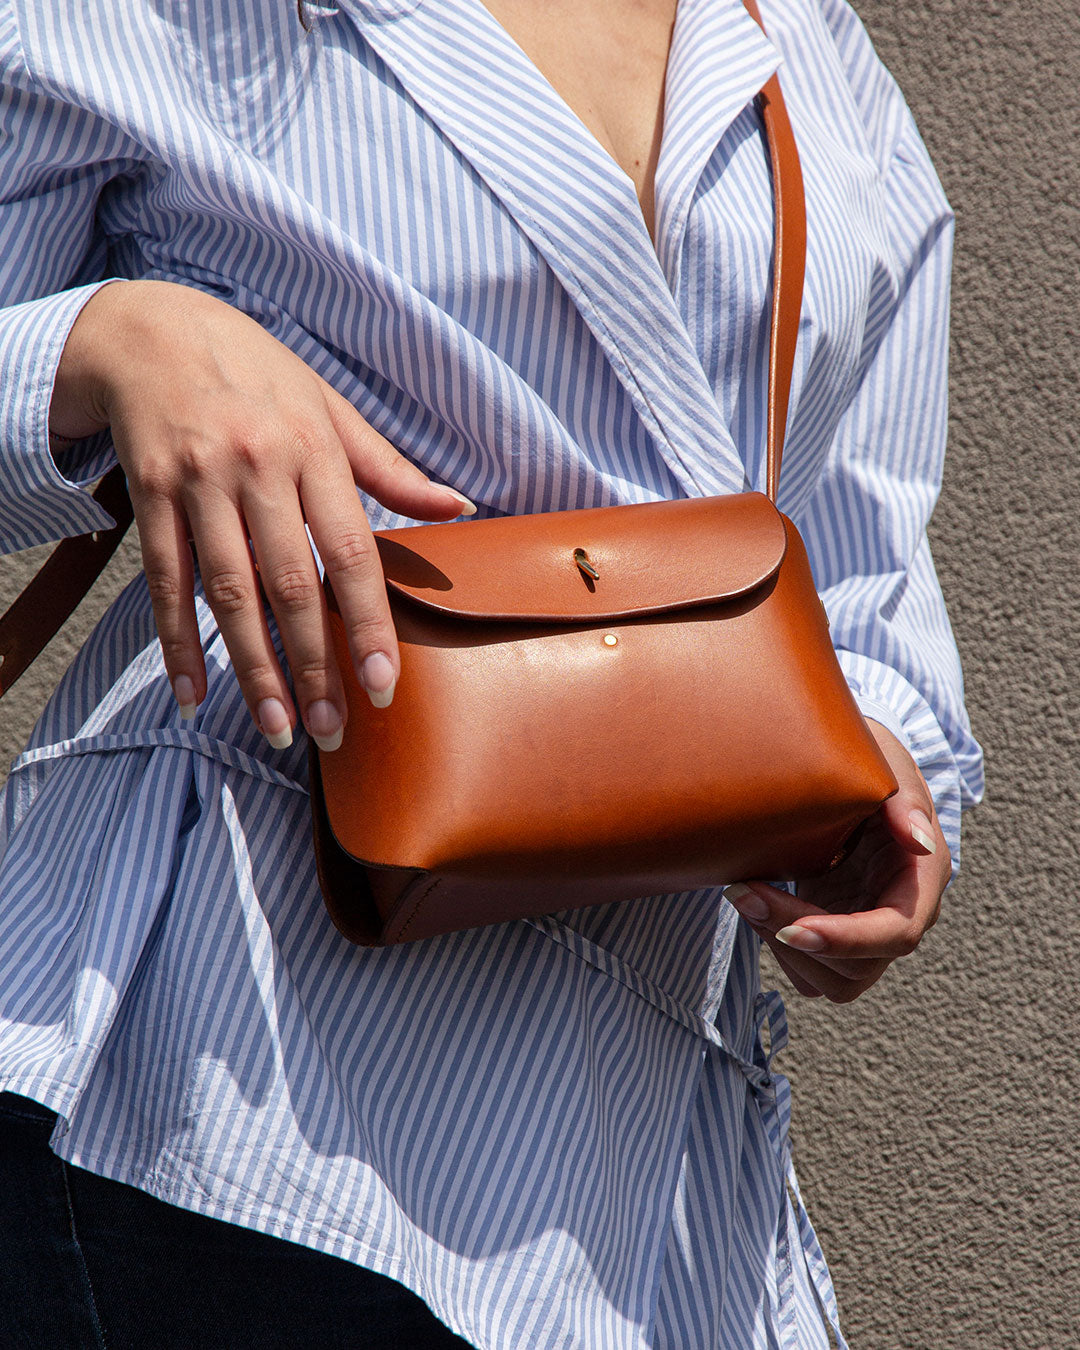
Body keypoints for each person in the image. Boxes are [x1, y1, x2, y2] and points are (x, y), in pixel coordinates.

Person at [0, 0, 984, 1345]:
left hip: (641, 1184)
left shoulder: (813, 56)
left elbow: (864, 579)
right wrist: (113, 345)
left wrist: (882, 773)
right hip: (221, 1056)